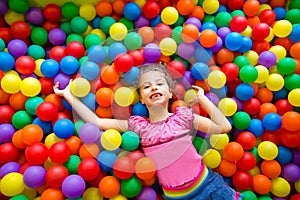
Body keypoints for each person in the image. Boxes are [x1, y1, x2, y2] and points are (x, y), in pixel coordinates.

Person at [54, 63, 243, 200]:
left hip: (209, 186)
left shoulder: (183, 117)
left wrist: (203, 99)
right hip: (177, 197)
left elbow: (223, 126)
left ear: (170, 93)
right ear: (142, 100)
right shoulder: (139, 125)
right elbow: (96, 121)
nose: (153, 87)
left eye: (159, 83)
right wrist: (68, 96)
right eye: (146, 86)